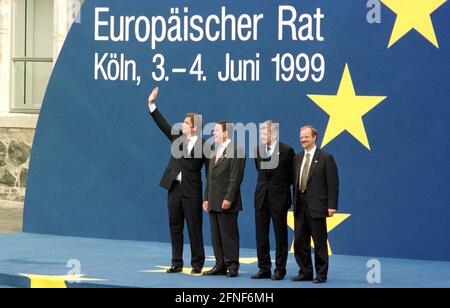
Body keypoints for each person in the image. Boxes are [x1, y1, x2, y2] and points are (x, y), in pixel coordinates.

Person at [147, 87, 208, 274]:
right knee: (175, 226)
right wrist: (151, 104)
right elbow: (163, 124)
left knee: (194, 228)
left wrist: (207, 196)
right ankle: (176, 262)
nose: (182, 124)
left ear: (195, 127)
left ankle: (197, 263)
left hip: (192, 192)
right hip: (174, 188)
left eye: (186, 122)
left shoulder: (204, 146)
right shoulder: (176, 138)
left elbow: (210, 173)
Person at [291, 125, 339, 284]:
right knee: (299, 242)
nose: (303, 140)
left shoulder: (326, 157)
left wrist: (331, 205)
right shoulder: (297, 158)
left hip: (317, 207)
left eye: (306, 137)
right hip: (300, 206)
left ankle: (321, 274)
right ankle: (305, 272)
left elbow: (333, 184)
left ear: (314, 137)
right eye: (301, 137)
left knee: (319, 243)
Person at [252, 121, 295, 281]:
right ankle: (264, 269)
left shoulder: (286, 150)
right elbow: (261, 172)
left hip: (279, 199)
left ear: (274, 134)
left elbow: (291, 177)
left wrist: (277, 189)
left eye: (265, 133)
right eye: (261, 133)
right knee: (261, 236)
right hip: (261, 199)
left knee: (280, 236)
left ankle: (280, 269)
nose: (262, 136)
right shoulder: (258, 150)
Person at [202, 121, 246, 278]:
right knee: (216, 235)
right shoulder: (214, 150)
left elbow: (236, 178)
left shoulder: (237, 150)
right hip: (213, 201)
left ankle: (232, 265)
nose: (213, 133)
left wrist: (228, 198)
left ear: (226, 133)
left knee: (229, 235)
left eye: (216, 131)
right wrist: (206, 197)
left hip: (227, 202)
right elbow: (209, 177)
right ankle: (219, 264)